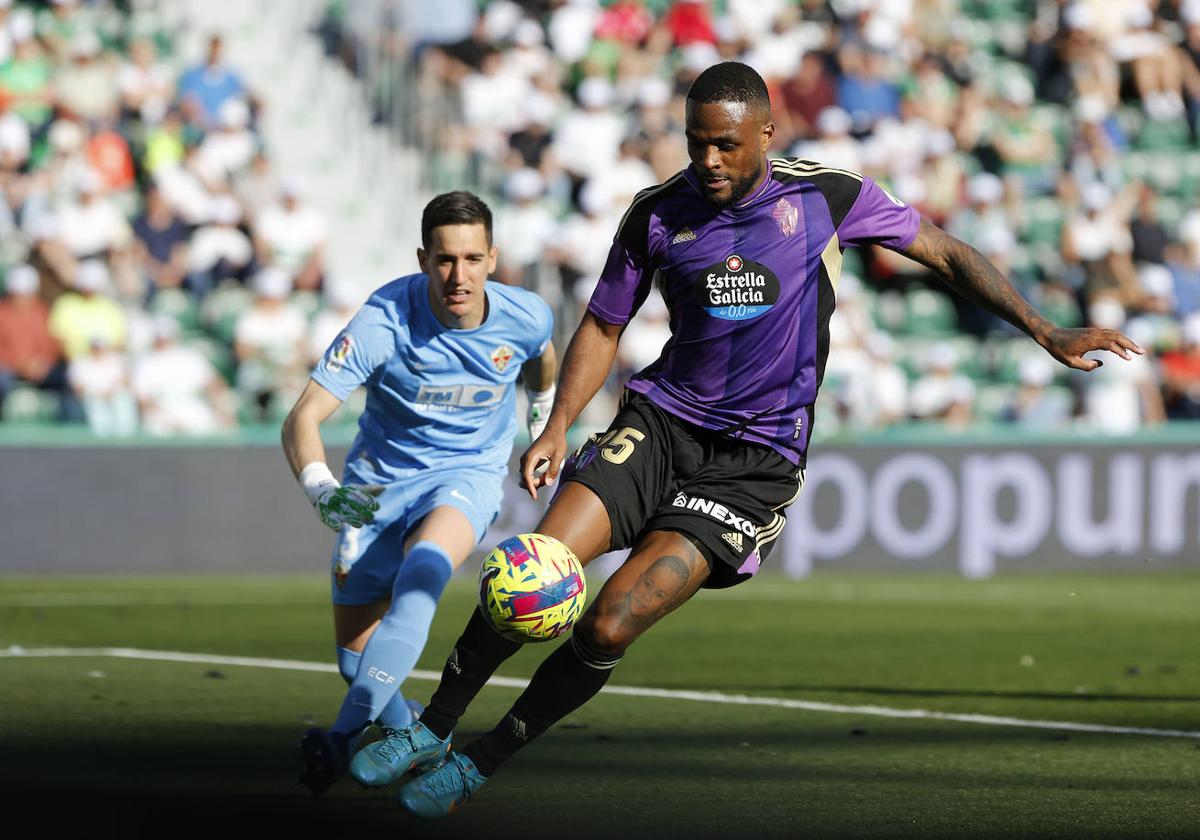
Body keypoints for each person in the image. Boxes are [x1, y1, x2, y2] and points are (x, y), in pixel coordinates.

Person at [366, 62, 1142, 818]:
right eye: (695, 142)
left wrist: (1043, 328)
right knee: (530, 572)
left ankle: (480, 761)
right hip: (661, 424)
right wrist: (560, 422)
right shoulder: (657, 212)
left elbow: (942, 250)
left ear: (766, 134)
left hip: (752, 466)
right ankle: (430, 727)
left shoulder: (826, 197)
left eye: (726, 146)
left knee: (608, 622)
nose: (707, 161)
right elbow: (606, 322)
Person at [280, 191, 556, 796]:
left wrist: (542, 418)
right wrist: (321, 488)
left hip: (469, 473)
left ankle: (343, 734)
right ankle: (422, 751)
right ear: (422, 259)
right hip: (377, 487)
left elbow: (543, 360)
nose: (460, 276)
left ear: (492, 258)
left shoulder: (527, 314)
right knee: (355, 661)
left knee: (423, 573)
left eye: (473, 259)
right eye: (444, 260)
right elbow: (302, 418)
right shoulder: (383, 322)